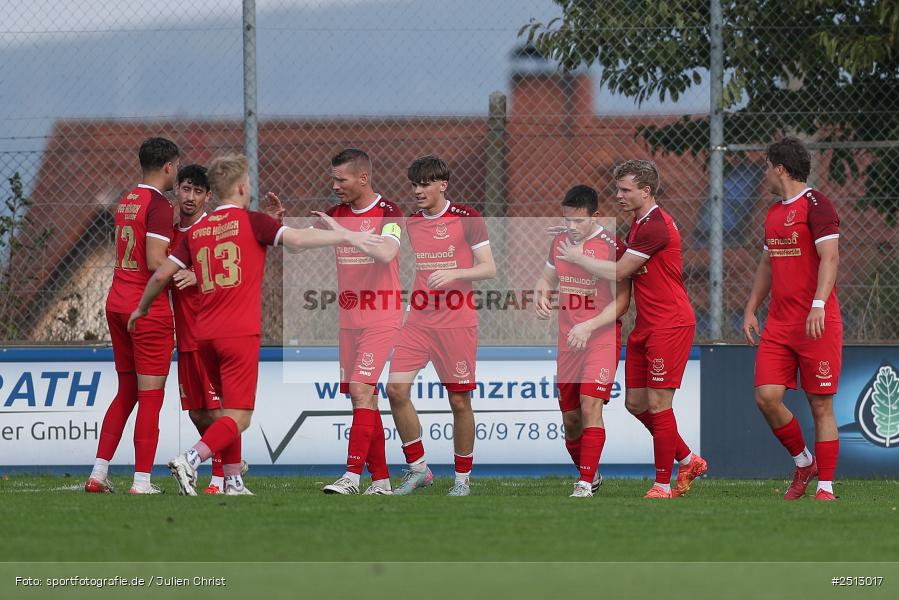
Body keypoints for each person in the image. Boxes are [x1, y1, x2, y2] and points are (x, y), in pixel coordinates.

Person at [127, 153, 384, 496]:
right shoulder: (252, 221)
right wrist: (349, 237)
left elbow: (161, 274)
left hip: (202, 333)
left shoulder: (198, 229)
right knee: (240, 416)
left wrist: (141, 308)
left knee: (224, 412)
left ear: (213, 192)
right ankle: (192, 458)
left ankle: (233, 481)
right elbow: (300, 241)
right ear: (242, 187)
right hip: (238, 333)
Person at [560, 160, 706, 498]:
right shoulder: (637, 225)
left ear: (646, 190)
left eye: (626, 189)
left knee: (658, 403)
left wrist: (580, 259)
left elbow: (619, 271)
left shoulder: (656, 225)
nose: (618, 195)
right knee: (636, 404)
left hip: (670, 323)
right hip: (646, 325)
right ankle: (687, 458)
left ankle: (661, 484)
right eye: (618, 189)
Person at [386, 155, 496, 497]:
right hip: (418, 321)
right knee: (395, 389)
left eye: (424, 185)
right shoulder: (412, 223)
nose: (418, 191)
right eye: (414, 185)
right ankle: (419, 469)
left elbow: (489, 268)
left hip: (456, 324)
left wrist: (456, 273)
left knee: (459, 402)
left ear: (442, 185)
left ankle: (462, 480)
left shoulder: (468, 218)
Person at [743, 137, 842, 501]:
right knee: (766, 397)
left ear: (780, 168)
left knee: (820, 404)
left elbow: (829, 259)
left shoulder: (817, 205)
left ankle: (826, 487)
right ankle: (803, 461)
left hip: (817, 322)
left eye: (768, 166)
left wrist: (818, 303)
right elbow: (767, 264)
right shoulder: (772, 213)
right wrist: (752, 307)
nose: (765, 173)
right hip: (779, 326)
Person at [85, 137, 180, 495]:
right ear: (169, 167)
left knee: (127, 390)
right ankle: (141, 480)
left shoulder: (127, 200)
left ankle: (98, 474)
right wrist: (187, 272)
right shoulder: (158, 203)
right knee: (150, 395)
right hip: (147, 307)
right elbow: (156, 261)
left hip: (117, 301)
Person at [316, 149, 403, 496]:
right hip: (349, 320)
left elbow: (386, 252)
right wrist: (282, 225)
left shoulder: (389, 212)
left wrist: (346, 234)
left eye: (341, 179)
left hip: (382, 316)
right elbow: (300, 244)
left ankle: (352, 477)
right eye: (333, 178)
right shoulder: (336, 214)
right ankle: (380, 482)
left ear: (363, 178)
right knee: (363, 400)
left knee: (360, 390)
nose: (334, 185)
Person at [534, 185, 630, 497]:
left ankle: (584, 483)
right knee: (571, 420)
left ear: (596, 216)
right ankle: (591, 474)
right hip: (568, 341)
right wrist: (542, 295)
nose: (572, 228)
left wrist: (589, 326)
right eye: (567, 221)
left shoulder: (612, 245)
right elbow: (547, 278)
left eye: (578, 222)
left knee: (591, 406)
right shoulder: (559, 241)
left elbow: (623, 302)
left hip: (600, 337)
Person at [170, 164, 249, 494]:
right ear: (177, 189)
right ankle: (226, 469)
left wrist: (199, 275)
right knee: (198, 413)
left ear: (208, 196)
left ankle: (222, 479)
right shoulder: (172, 232)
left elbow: (235, 272)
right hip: (185, 336)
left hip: (212, 334)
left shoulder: (213, 229)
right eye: (186, 189)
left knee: (221, 412)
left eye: (198, 191)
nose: (190, 197)